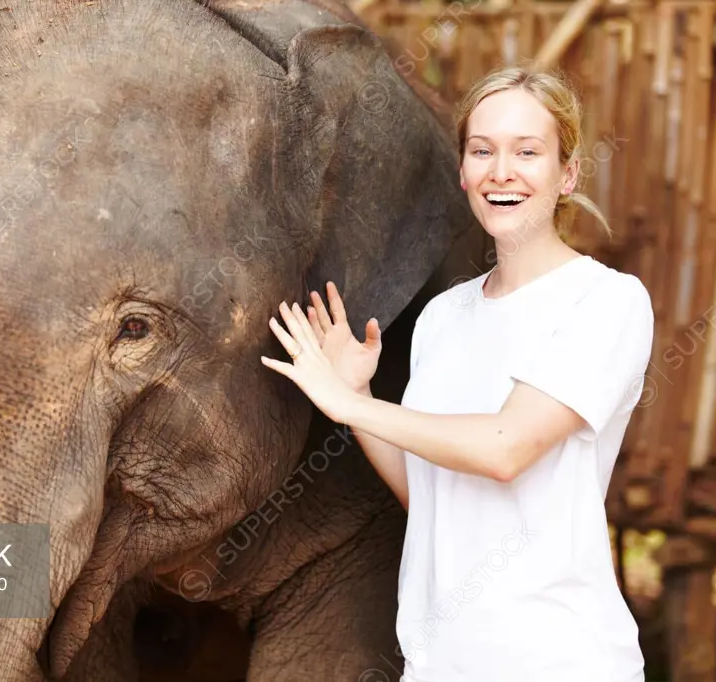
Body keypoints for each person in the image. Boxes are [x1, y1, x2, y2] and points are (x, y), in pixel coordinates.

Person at [260, 65, 653, 682]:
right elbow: (433, 497)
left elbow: (505, 449)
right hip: (438, 662)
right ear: (464, 172)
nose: (502, 171)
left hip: (560, 661)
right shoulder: (445, 315)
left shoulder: (606, 301)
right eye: (482, 150)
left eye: (528, 151)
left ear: (567, 173)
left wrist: (351, 405)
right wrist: (359, 391)